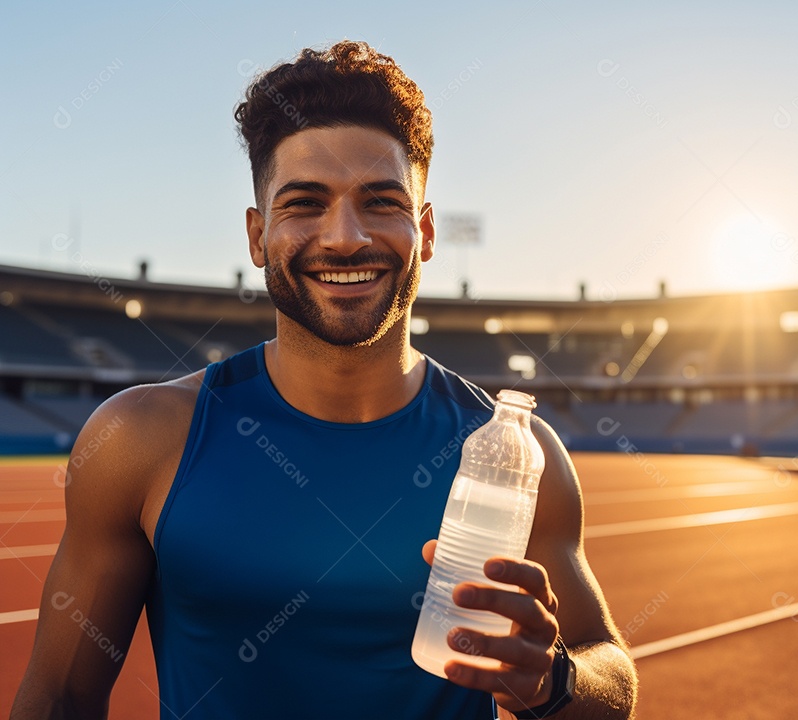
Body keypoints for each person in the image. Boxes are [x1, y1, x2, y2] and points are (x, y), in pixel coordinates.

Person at [11, 41, 637, 719]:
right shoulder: (143, 438)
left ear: (424, 232)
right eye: (305, 203)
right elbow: (59, 697)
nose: (344, 237)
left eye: (381, 202)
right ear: (257, 237)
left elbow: (610, 675)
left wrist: (556, 679)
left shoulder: (517, 452)